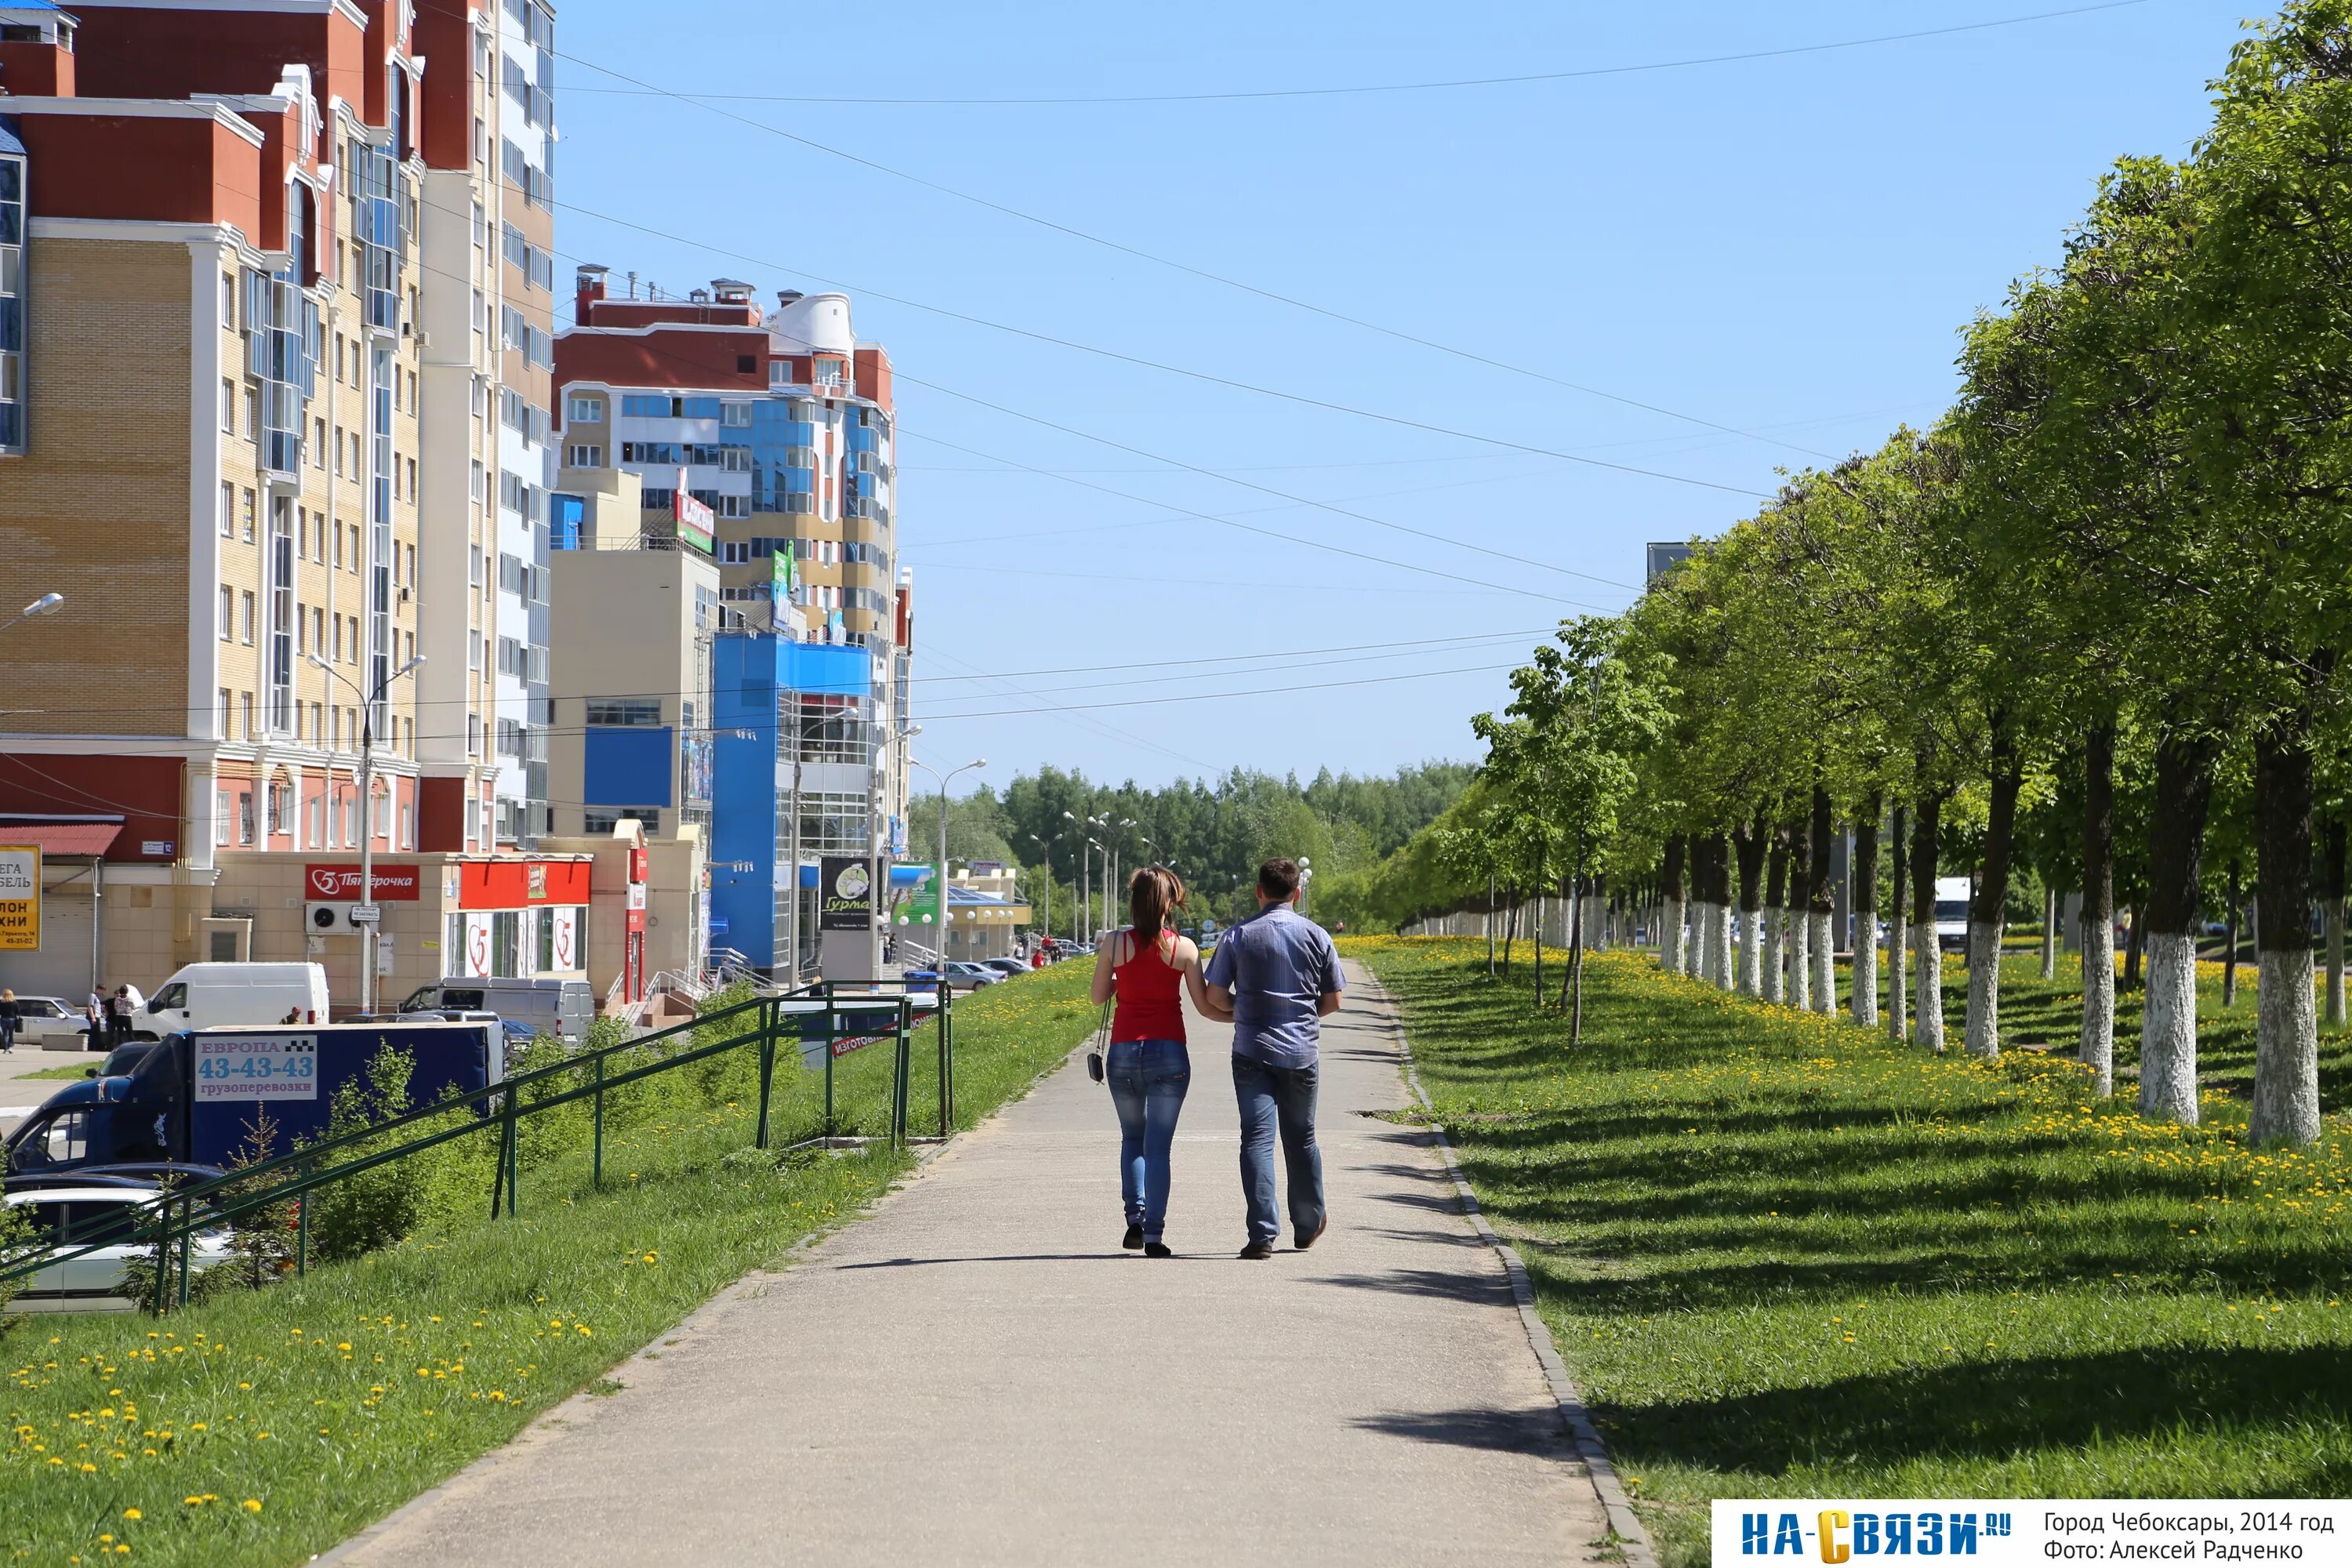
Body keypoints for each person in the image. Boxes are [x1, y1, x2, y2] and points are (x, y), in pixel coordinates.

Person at [1206, 857, 1344, 1260]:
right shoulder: (1318, 936)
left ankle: (1262, 1235)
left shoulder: (1237, 936)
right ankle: (1307, 1225)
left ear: (1259, 892)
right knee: (1301, 1139)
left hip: (1251, 1052)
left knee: (1257, 1139)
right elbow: (1333, 1000)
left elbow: (1214, 997)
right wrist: (1297, 1015)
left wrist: (1247, 1009)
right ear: (1297, 893)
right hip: (1302, 1053)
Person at [1089, 866, 1225, 1258]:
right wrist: (1240, 1016)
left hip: (1125, 1053)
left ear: (1133, 902)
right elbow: (1204, 1007)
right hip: (1169, 1054)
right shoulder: (1184, 948)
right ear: (1170, 904)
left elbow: (1099, 996)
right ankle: (1153, 1236)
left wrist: (1121, 982)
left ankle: (1135, 1218)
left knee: (1132, 1137)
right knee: (1159, 1148)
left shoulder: (1114, 944)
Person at [0, 989, 17, 1053]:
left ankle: (6, 1048)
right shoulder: (15, 1002)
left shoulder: (1, 1002)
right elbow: (17, 1011)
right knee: (11, 1034)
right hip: (12, 1019)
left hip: (3, 1019)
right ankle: (10, 1047)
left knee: (5, 1034)